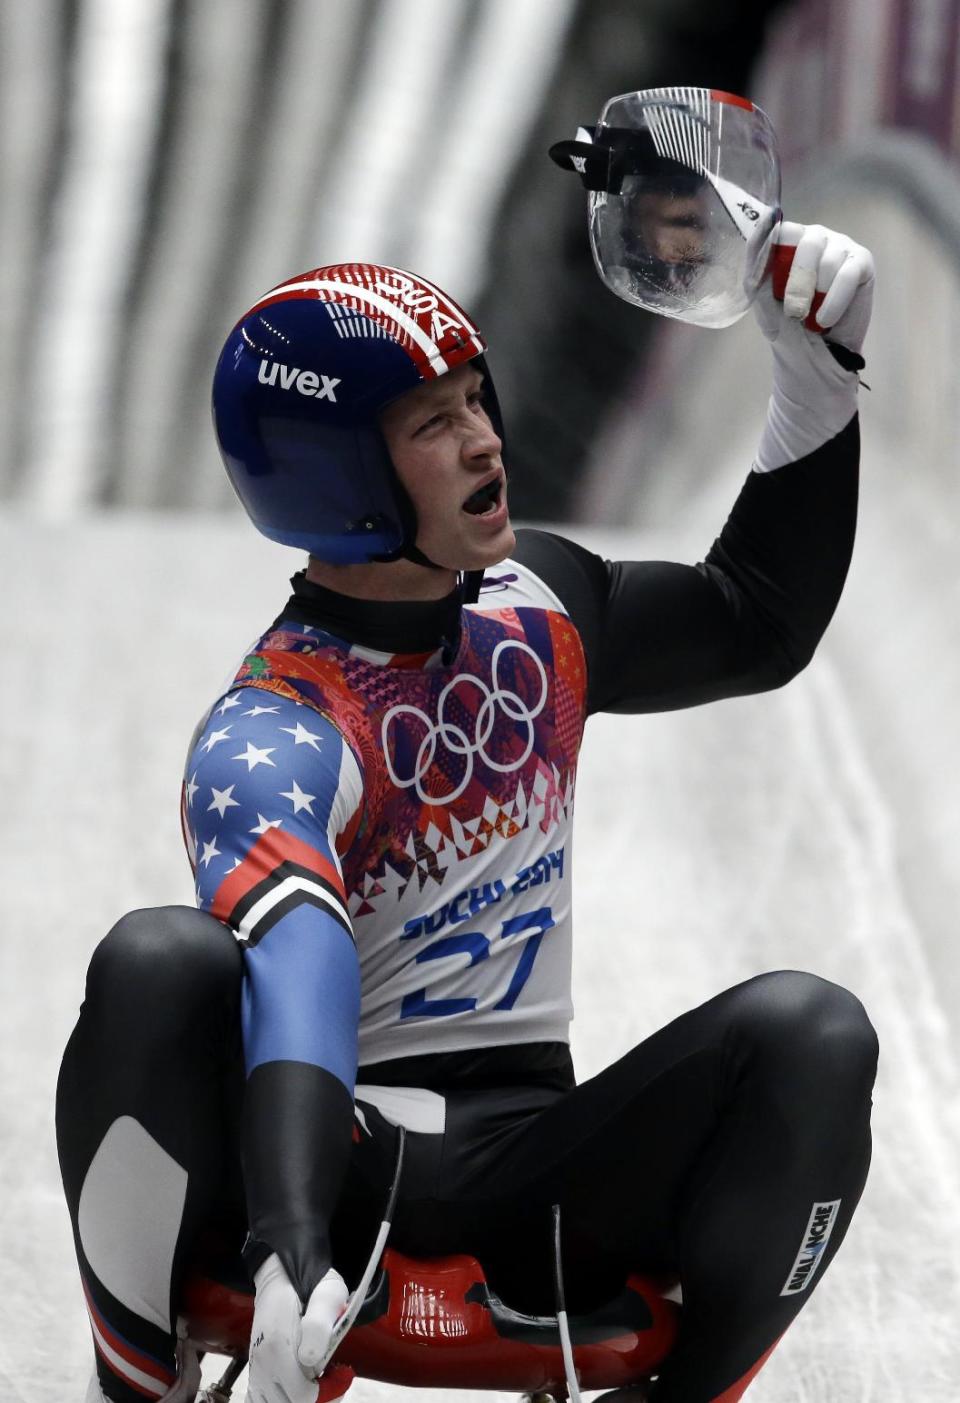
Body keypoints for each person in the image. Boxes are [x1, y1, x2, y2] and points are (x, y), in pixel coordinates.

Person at [57, 228, 878, 1403]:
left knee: (817, 1030)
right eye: (433, 423)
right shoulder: (271, 728)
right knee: (156, 959)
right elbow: (298, 960)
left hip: (532, 1169)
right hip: (321, 1167)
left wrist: (814, 381)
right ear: (339, 471)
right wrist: (289, 1230)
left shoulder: (542, 607)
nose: (487, 438)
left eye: (474, 399)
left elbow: (753, 621)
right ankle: (138, 1379)